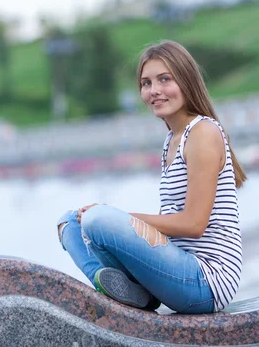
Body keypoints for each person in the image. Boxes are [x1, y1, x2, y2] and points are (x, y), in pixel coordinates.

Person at [56, 40, 247, 314]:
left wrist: (121, 218)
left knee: (98, 219)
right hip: (176, 267)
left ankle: (135, 294)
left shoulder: (203, 133)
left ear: (186, 81)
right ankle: (136, 295)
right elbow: (168, 220)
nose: (154, 91)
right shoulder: (172, 140)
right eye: (146, 83)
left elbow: (194, 224)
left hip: (206, 280)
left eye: (164, 79)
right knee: (70, 223)